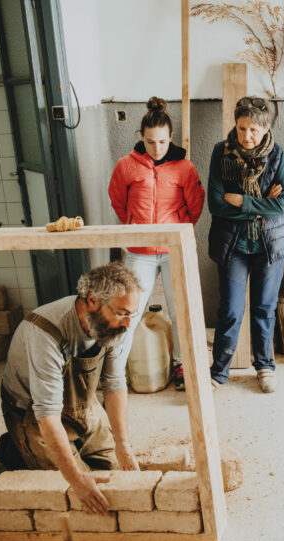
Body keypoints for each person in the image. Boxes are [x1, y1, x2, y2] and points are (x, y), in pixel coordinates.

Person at [0, 262, 142, 514]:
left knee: (117, 479)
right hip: (34, 414)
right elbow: (47, 414)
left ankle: (59, 447)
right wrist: (76, 479)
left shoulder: (114, 325)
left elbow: (114, 384)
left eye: (132, 314)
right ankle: (16, 447)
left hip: (82, 405)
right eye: (121, 313)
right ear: (93, 300)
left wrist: (123, 444)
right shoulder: (45, 330)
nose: (128, 324)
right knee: (82, 493)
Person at [109, 96, 205, 391]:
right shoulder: (126, 166)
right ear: (141, 137)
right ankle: (115, 376)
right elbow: (118, 201)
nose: (157, 148)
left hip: (174, 248)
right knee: (129, 311)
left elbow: (195, 207)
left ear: (171, 137)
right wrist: (135, 228)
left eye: (162, 142)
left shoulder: (184, 168)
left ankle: (181, 366)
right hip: (140, 252)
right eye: (150, 142)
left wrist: (177, 230)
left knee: (180, 312)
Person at [207, 96, 284, 393]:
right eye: (242, 128)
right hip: (233, 245)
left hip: (269, 245)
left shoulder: (277, 155)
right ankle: (218, 372)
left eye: (254, 130)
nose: (246, 136)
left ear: (266, 130)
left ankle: (265, 367)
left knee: (264, 309)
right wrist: (261, 203)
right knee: (230, 310)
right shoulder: (221, 154)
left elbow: (281, 206)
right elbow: (216, 204)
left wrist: (243, 201)